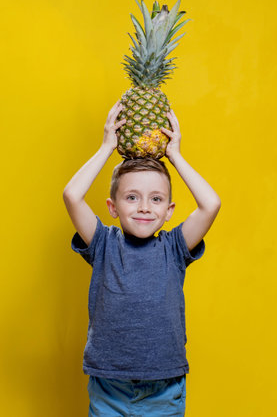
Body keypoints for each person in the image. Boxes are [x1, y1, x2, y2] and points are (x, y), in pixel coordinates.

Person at [63, 100, 221, 416]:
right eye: (132, 197)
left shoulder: (175, 247)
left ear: (168, 211)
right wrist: (107, 146)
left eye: (156, 199)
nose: (145, 207)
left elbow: (210, 204)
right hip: (110, 387)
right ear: (113, 207)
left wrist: (175, 155)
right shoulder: (103, 243)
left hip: (164, 387)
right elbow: (72, 195)